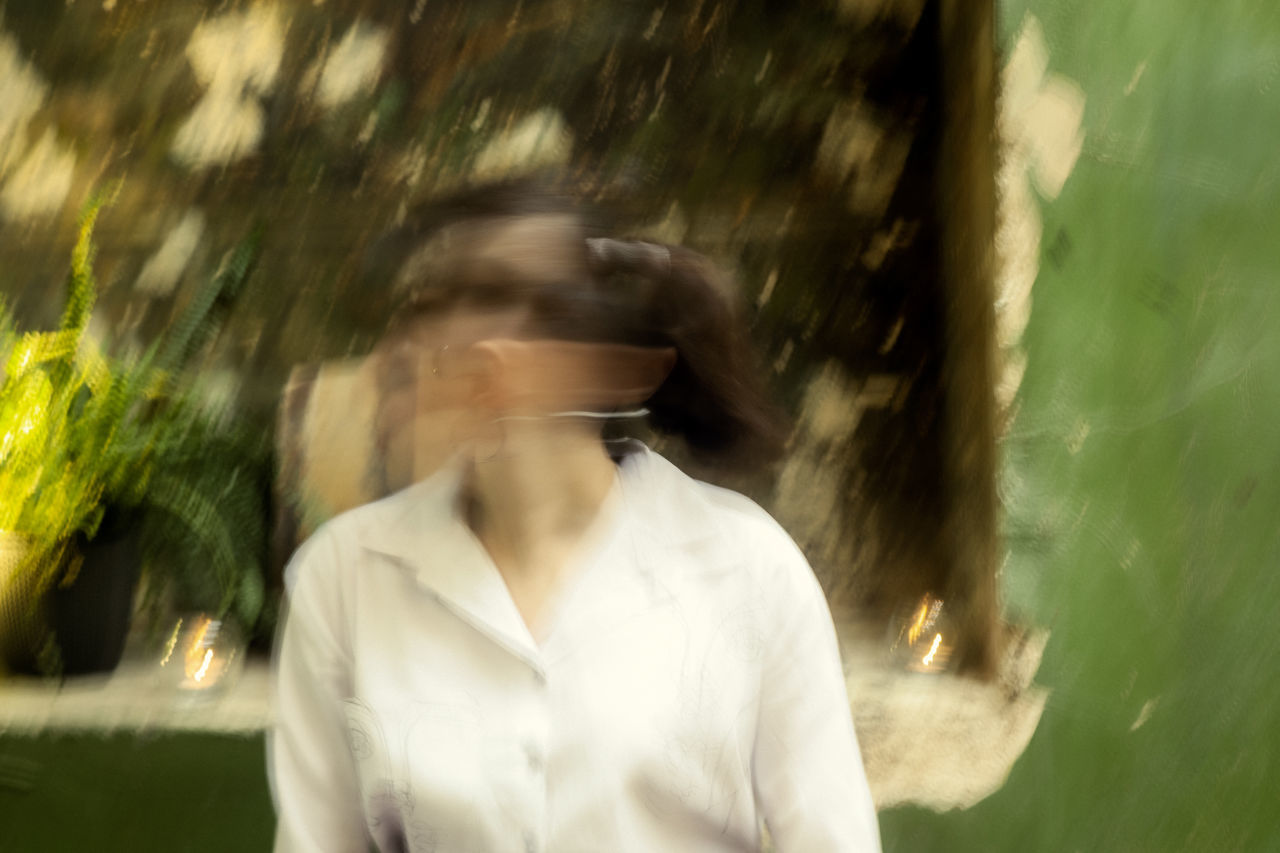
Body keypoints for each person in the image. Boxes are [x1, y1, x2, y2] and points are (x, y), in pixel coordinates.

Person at [268, 182, 881, 852]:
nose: (460, 337)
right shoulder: (345, 576)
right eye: (441, 303)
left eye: (501, 298)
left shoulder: (750, 570)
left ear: (610, 365)